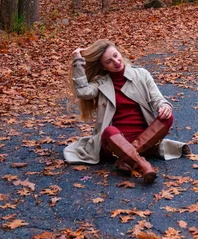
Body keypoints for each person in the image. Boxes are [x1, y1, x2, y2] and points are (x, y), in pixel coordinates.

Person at [63, 39, 188, 184]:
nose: (116, 62)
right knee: (109, 131)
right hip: (114, 146)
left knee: (167, 117)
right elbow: (83, 92)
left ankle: (128, 159)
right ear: (103, 67)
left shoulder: (141, 74)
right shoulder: (101, 82)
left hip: (146, 139)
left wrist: (163, 106)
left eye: (116, 55)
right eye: (109, 61)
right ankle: (143, 165)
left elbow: (157, 99)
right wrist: (78, 61)